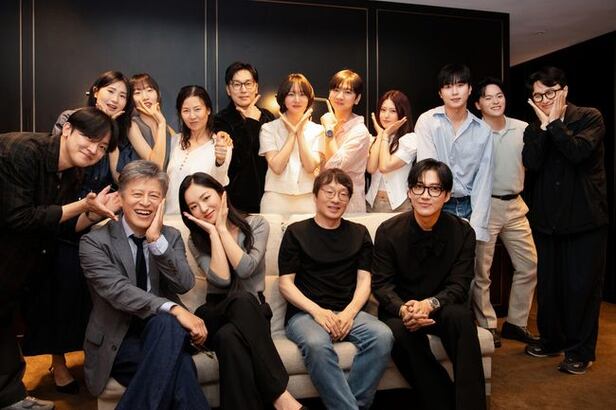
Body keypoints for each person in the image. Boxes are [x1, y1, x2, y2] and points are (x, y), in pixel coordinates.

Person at [0, 107, 119, 410]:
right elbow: (19, 217)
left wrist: (94, 213)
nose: (93, 149)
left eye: (102, 147)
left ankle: (11, 398)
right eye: (89, 138)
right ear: (67, 130)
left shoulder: (72, 173)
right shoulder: (24, 151)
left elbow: (58, 225)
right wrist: (82, 206)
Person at [79, 160, 210, 409]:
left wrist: (156, 242)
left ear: (162, 202)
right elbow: (118, 291)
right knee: (180, 366)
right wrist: (174, 308)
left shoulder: (170, 236)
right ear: (120, 197)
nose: (146, 203)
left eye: (154, 196)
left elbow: (184, 283)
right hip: (118, 339)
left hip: (161, 331)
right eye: (137, 194)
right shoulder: (95, 242)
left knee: (165, 325)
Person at [179, 172, 304, 410]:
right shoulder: (196, 239)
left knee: (229, 338)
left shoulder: (257, 224)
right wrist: (215, 232)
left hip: (252, 313)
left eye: (206, 198)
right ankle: (282, 398)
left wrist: (222, 229)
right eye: (194, 206)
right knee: (239, 301)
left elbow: (246, 268)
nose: (203, 209)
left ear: (221, 194)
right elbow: (222, 279)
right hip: (215, 312)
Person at [372, 158, 486, 410]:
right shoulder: (388, 231)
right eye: (419, 187)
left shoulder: (463, 232)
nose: (425, 195)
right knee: (398, 332)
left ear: (446, 196)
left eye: (435, 189)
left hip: (441, 305)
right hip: (401, 308)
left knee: (462, 319)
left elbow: (460, 284)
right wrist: (405, 309)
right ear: (409, 192)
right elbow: (381, 284)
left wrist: (430, 304)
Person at [278, 168, 393, 410]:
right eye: (329, 192)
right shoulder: (296, 232)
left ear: (349, 199)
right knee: (317, 345)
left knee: (382, 336)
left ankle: (352, 405)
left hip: (347, 311)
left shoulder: (359, 233)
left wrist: (349, 313)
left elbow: (365, 281)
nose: (336, 199)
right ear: (315, 195)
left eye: (342, 194)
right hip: (306, 315)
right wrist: (318, 312)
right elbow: (285, 284)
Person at [522, 66, 608, 374]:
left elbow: (577, 152)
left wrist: (555, 123)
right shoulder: (534, 128)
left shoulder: (590, 117)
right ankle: (551, 340)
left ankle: (580, 351)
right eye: (538, 95)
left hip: (585, 220)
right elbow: (531, 162)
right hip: (548, 221)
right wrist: (545, 128)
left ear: (565, 91)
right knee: (550, 287)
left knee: (581, 288)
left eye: (550, 93)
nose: (544, 100)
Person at [471, 77, 539, 348]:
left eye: (499, 95)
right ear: (478, 104)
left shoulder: (522, 128)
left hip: (516, 206)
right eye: (488, 97)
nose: (495, 101)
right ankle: (487, 324)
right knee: (482, 271)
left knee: (529, 265)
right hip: (486, 206)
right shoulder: (474, 131)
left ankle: (516, 323)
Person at [415, 63, 493, 242]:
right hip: (435, 203)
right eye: (448, 86)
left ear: (470, 89)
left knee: (467, 259)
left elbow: (484, 180)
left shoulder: (483, 130)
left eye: (460, 85)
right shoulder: (427, 121)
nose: (455, 92)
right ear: (440, 93)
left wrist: (477, 226)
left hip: (469, 206)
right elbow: (428, 170)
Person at [52, 70, 136, 191]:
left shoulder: (123, 131)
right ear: (96, 92)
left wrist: (111, 128)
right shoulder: (71, 118)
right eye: (110, 91)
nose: (115, 99)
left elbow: (120, 179)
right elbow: (58, 163)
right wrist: (103, 124)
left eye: (122, 96)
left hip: (104, 198)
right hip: (68, 195)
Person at [214, 62, 275, 213]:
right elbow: (236, 160)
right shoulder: (220, 120)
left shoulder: (267, 117)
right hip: (235, 204)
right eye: (237, 84)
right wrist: (251, 122)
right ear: (228, 89)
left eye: (248, 83)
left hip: (269, 199)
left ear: (256, 87)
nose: (243, 90)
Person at [259, 73, 322, 214]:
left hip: (308, 199)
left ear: (309, 99)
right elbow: (277, 167)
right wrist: (292, 134)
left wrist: (299, 133)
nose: (297, 99)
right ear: (283, 98)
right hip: (275, 199)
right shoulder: (268, 129)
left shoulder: (318, 130)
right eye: (291, 94)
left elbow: (310, 166)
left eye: (302, 94)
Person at [165, 85, 231, 215]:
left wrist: (220, 161)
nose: (192, 116)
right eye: (186, 110)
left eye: (197, 109)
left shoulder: (222, 143)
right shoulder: (174, 141)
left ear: (208, 110)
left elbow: (219, 182)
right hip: (169, 217)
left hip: (200, 218)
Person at [320, 70, 371, 213]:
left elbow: (335, 167)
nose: (340, 96)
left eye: (348, 92)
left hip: (348, 206)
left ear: (357, 98)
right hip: (323, 202)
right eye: (336, 90)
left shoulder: (359, 132)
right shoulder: (324, 124)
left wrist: (329, 131)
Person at [366, 89, 416, 212]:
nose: (386, 115)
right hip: (372, 203)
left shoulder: (410, 140)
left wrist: (385, 136)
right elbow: (371, 168)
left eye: (393, 111)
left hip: (399, 205)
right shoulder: (374, 139)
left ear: (402, 113)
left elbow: (385, 166)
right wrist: (381, 135)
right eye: (383, 110)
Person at [128, 73, 174, 171]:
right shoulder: (132, 126)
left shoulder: (165, 126)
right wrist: (161, 123)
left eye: (149, 90)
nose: (145, 97)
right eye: (137, 93)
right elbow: (156, 166)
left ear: (158, 94)